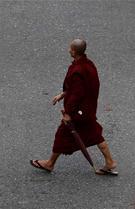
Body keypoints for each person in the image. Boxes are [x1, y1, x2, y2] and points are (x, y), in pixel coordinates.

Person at [31, 38, 118, 175]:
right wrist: (63, 94)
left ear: (74, 51)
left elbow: (76, 94)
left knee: (62, 135)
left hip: (78, 113)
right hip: (87, 110)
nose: (68, 50)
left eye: (70, 48)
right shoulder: (89, 65)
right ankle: (110, 162)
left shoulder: (77, 70)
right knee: (95, 134)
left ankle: (50, 163)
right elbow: (84, 87)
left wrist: (68, 113)